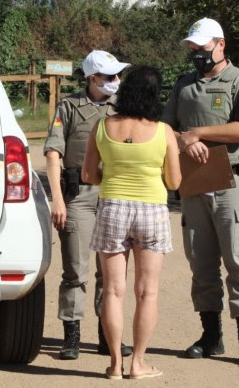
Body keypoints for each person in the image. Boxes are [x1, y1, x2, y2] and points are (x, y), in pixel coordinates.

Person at [162, 17, 239, 366]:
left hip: (233, 182)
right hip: (195, 183)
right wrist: (181, 139)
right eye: (192, 49)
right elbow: (166, 128)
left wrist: (197, 134)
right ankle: (211, 336)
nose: (197, 55)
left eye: (202, 49)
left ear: (221, 45)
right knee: (201, 262)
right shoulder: (184, 85)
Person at [82, 65, 181, 379]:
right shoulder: (163, 131)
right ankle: (138, 363)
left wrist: (111, 173)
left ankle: (114, 363)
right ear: (155, 94)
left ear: (124, 91)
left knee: (113, 291)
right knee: (147, 292)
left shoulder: (102, 126)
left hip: (112, 207)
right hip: (151, 210)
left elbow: (88, 174)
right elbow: (174, 181)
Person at [44, 50, 133, 360]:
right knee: (75, 271)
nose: (116, 81)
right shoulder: (69, 107)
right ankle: (72, 336)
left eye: (118, 76)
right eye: (110, 76)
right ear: (93, 78)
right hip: (78, 196)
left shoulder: (123, 109)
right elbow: (54, 154)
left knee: (111, 274)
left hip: (114, 194)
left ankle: (107, 336)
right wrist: (57, 198)